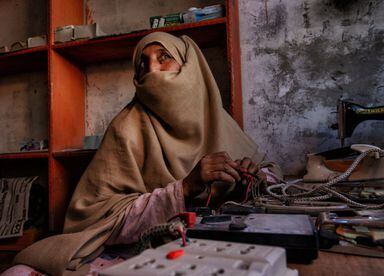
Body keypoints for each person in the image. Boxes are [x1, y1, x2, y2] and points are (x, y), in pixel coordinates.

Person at [4, 32, 282, 275]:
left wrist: (255, 180)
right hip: (144, 247)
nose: (153, 71)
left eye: (164, 58)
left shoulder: (217, 120)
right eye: (143, 64)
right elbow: (98, 217)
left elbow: (273, 176)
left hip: (220, 243)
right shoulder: (126, 128)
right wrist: (184, 188)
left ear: (189, 68)